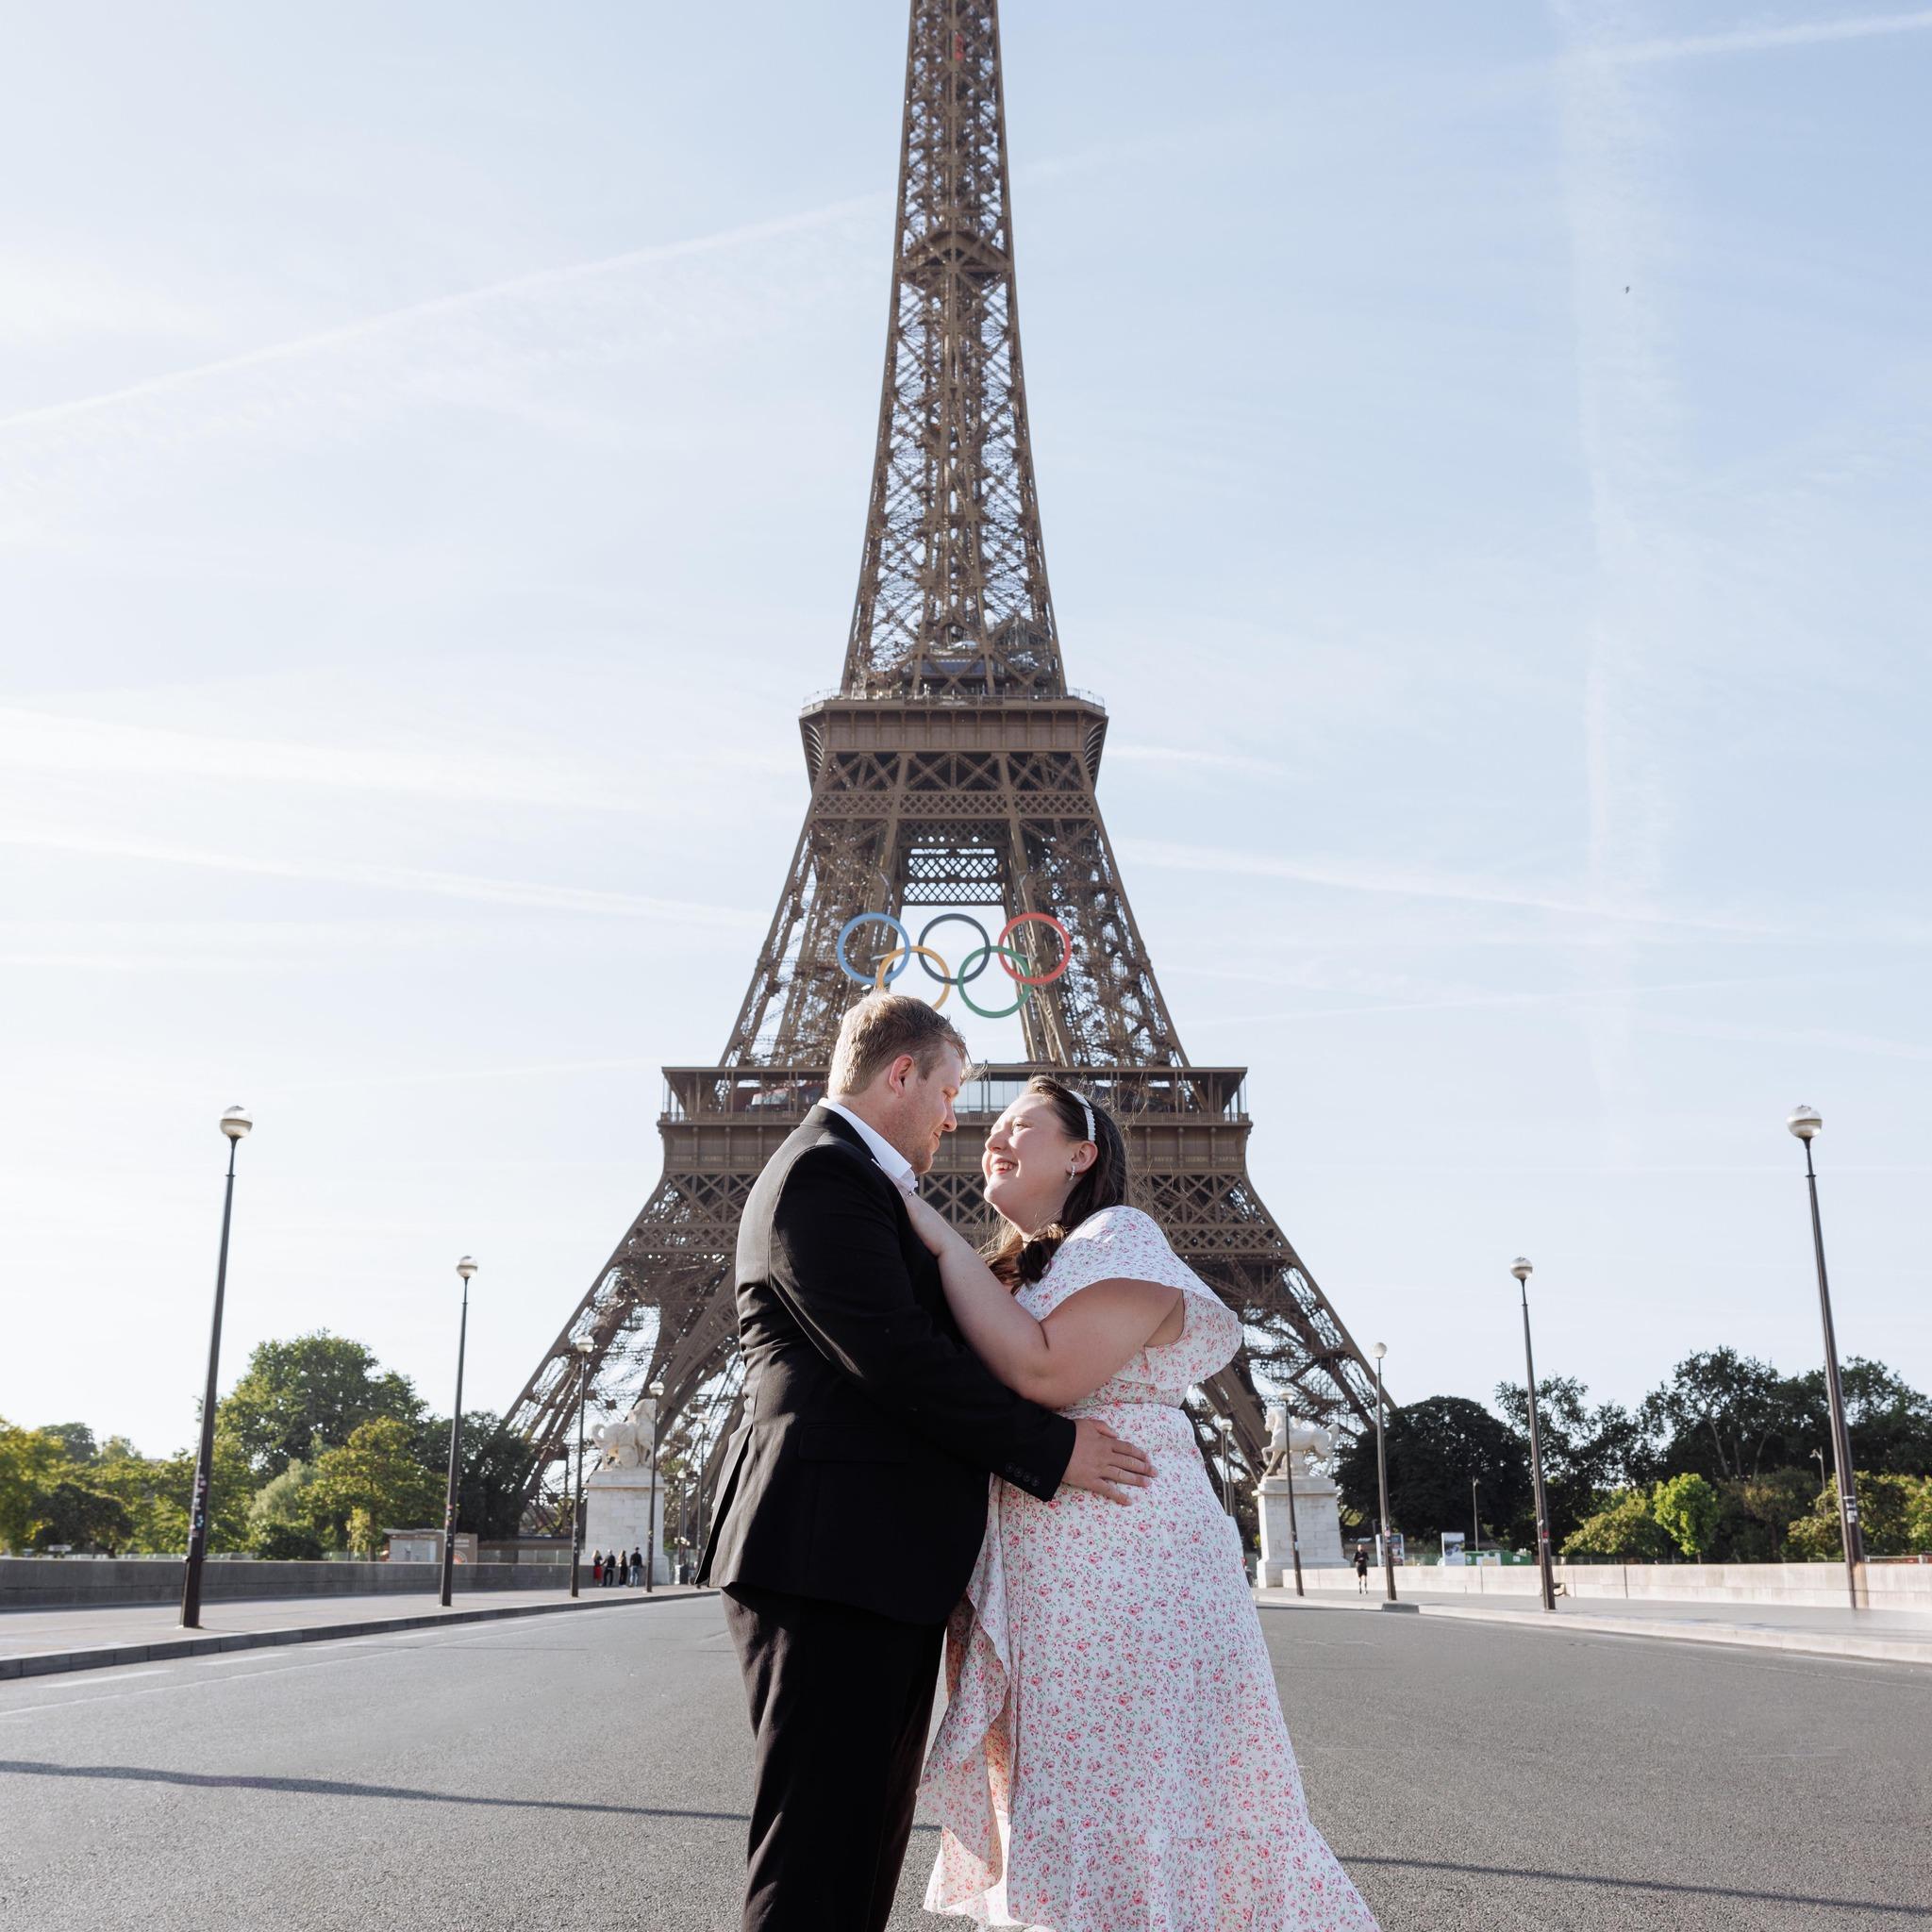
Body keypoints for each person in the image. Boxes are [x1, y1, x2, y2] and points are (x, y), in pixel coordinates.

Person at [699, 995, 1157, 1932]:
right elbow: (896, 1357)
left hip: (866, 1560)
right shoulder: (823, 1176)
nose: (957, 1115)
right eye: (948, 1087)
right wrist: (1053, 1448)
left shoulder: (860, 1186)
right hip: (831, 1556)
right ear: (897, 1072)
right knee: (818, 1850)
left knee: (856, 1844)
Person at [905, 1074, 1379, 1930]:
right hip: (1054, 1570)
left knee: (1125, 1790)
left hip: (1126, 1566)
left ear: (1083, 1153)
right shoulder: (1014, 1268)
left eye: (1022, 1123)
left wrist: (937, 1243)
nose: (994, 1136)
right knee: (1070, 1787)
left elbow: (1048, 1372)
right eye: (991, 1125)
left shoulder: (1120, 1232)